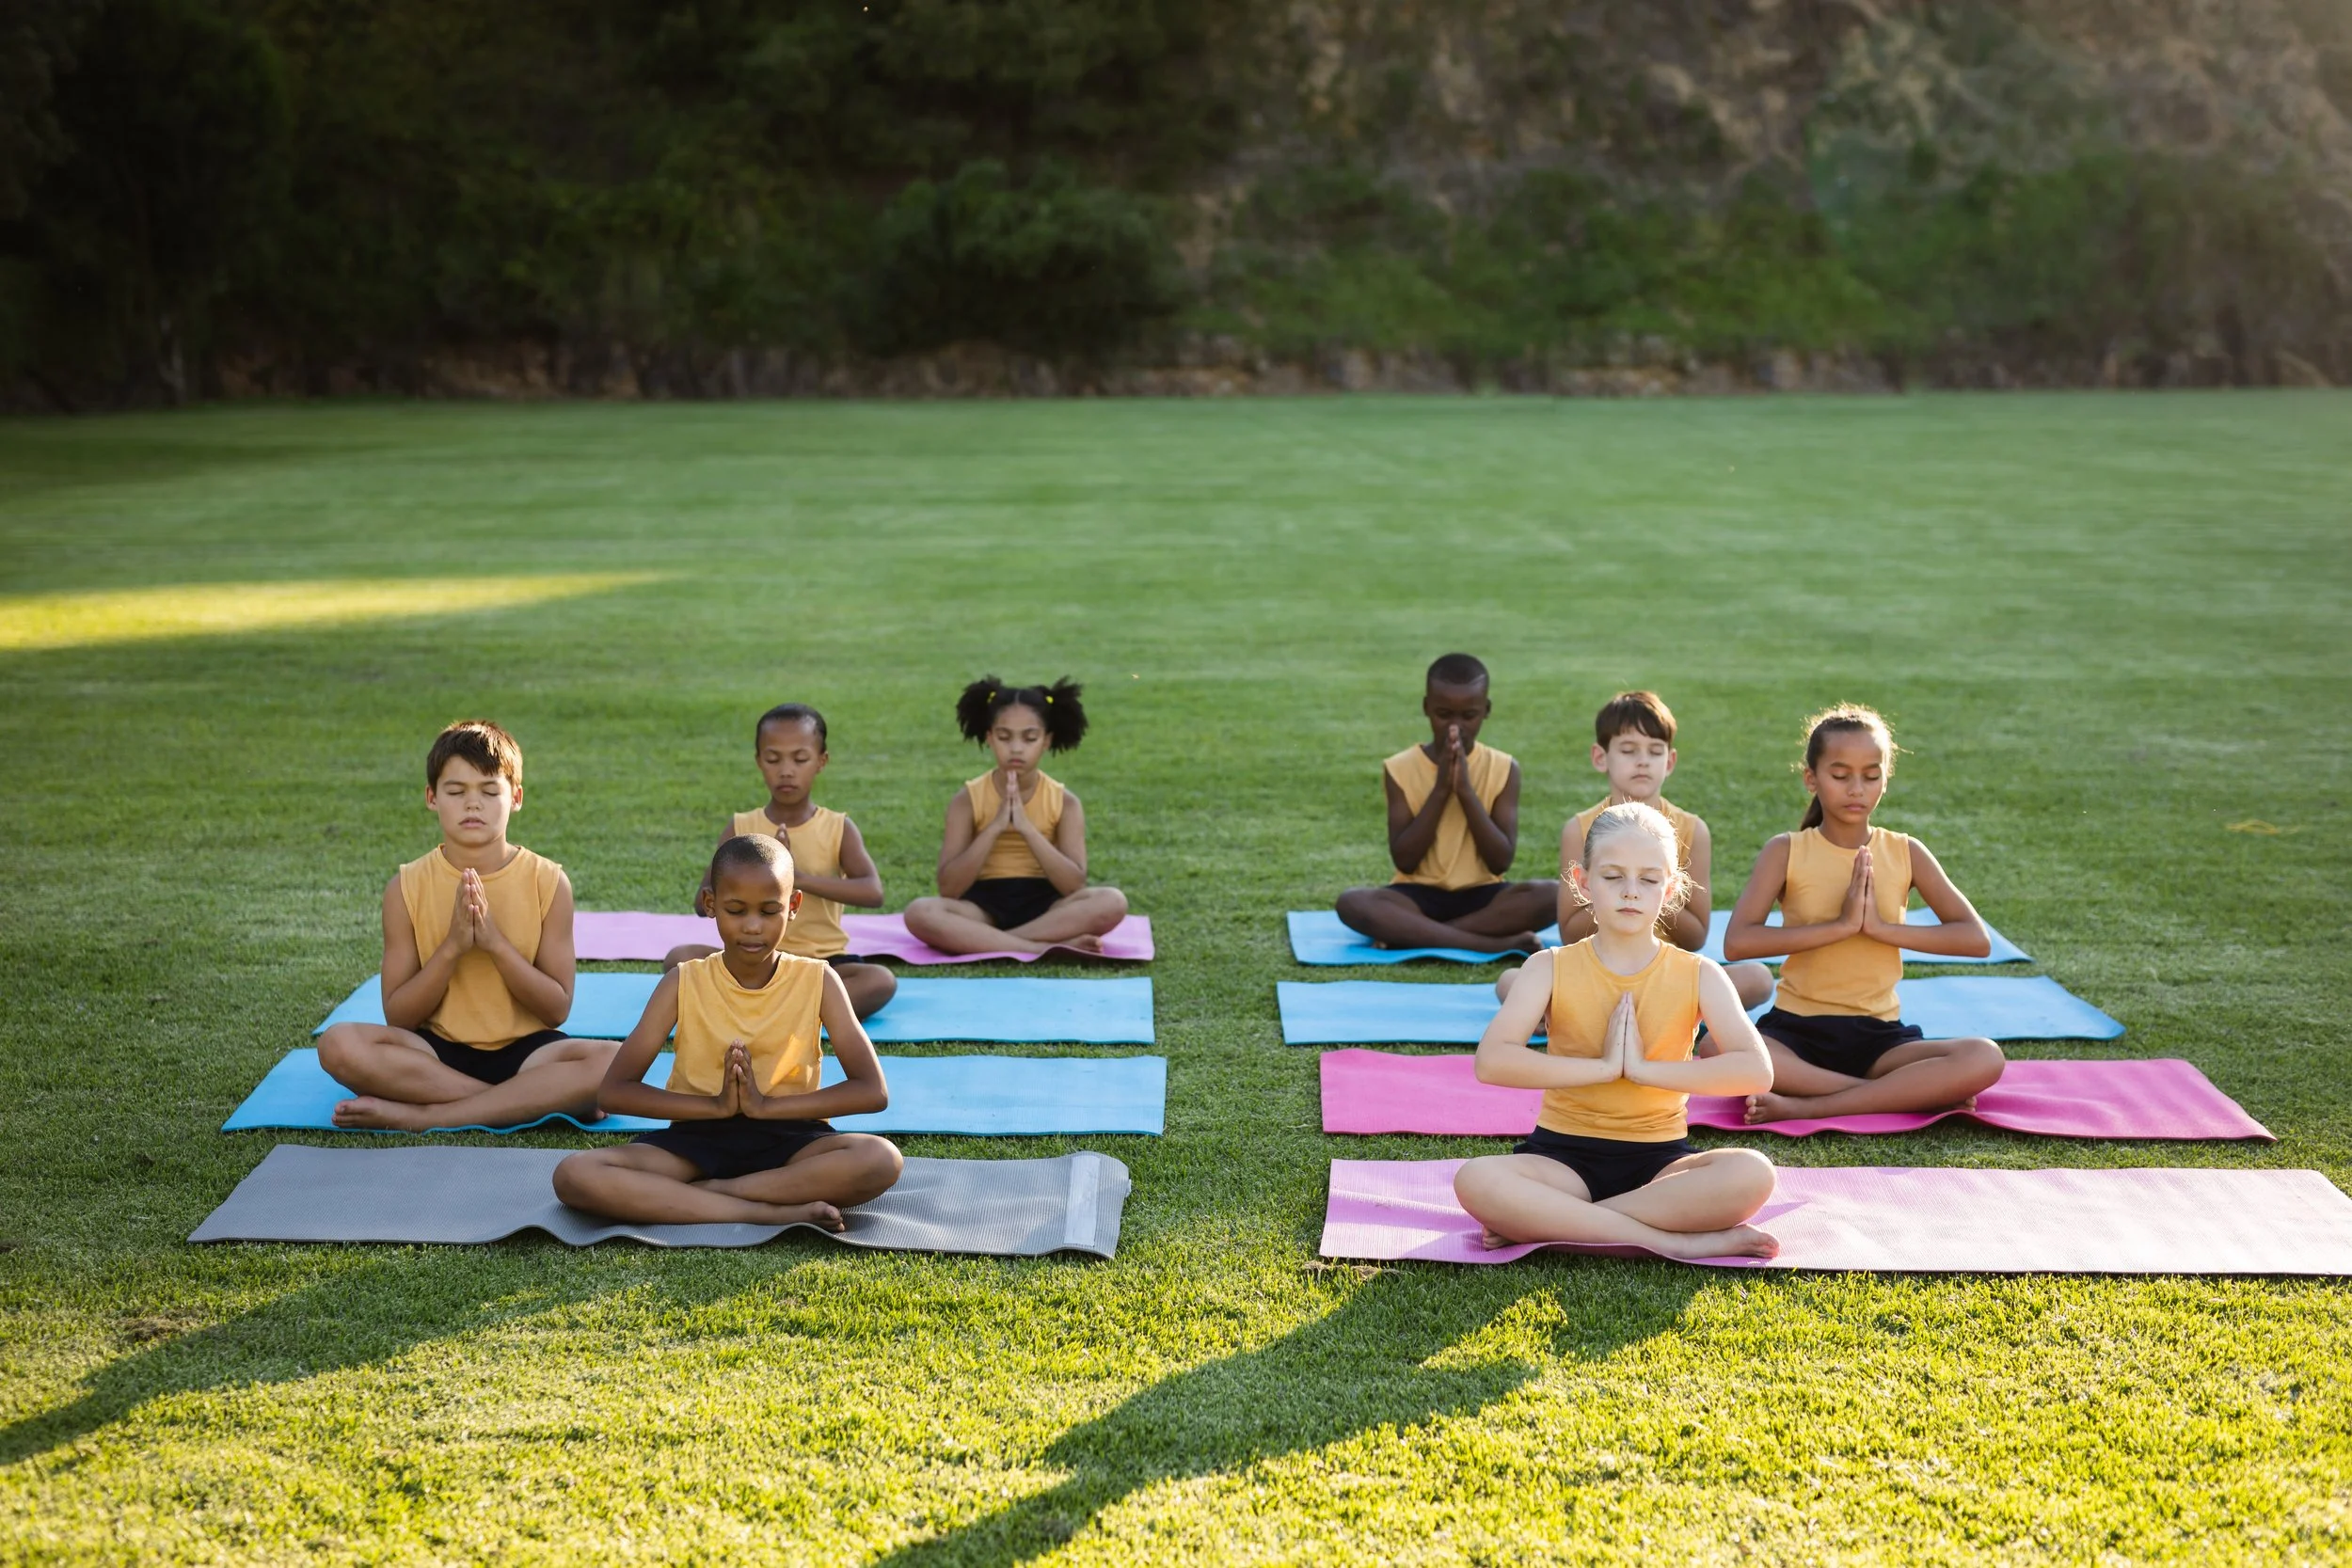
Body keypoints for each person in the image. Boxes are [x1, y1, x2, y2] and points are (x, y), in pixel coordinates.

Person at [1453, 802, 1780, 1259]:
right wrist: (1603, 1068)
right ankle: (1667, 1242)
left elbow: (1755, 1071)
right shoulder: (1547, 967)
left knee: (1753, 1172)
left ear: (1669, 889)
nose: (1631, 892)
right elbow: (1492, 1062)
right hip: (1560, 1159)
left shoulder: (1700, 973)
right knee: (1476, 1179)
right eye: (1612, 877)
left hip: (1661, 1163)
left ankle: (1555, 1223)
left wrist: (1643, 1070)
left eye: (1648, 879)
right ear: (1583, 882)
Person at [552, 834, 903, 1228]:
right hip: (696, 1139)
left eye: (769, 911)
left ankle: (708, 1195)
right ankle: (764, 1210)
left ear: (794, 906)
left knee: (880, 1159)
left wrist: (766, 1108)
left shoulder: (819, 979)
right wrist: (717, 1107)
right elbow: (615, 1091)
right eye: (736, 910)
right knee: (575, 1174)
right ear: (710, 905)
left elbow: (872, 1091)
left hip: (792, 1140)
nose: (752, 927)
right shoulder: (682, 982)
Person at [319, 720, 615, 1131]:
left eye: (489, 791)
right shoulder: (405, 887)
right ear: (432, 797)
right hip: (434, 1054)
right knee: (338, 1044)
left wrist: (494, 943)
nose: (472, 804)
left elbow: (556, 1009)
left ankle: (421, 1116)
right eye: (456, 792)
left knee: (613, 1063)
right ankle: (532, 1102)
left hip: (528, 1052)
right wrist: (454, 946)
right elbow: (400, 1017)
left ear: (516, 798)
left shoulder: (549, 882)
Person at [1722, 705, 2005, 1124]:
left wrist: (1879, 929)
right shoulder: (1786, 850)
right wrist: (1838, 928)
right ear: (1811, 779)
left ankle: (1809, 1105)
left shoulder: (1905, 851)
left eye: (1871, 776)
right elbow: (1739, 941)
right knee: (1717, 1047)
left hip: (1881, 1040)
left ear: (1884, 782)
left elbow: (1974, 939)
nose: (1857, 788)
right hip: (1797, 1032)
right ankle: (1900, 1095)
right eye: (1840, 775)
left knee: (1984, 1057)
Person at [1498, 689, 1773, 1007]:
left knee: (1758, 978)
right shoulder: (1579, 829)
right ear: (1601, 757)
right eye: (1628, 750)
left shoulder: (1693, 830)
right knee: (1511, 982)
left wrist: (1652, 893)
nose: (1643, 761)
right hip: (1594, 973)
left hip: (1667, 977)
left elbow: (1696, 936)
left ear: (1669, 761)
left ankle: (1621, 1017)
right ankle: (1641, 1017)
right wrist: (1615, 896)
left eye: (1655, 751)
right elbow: (1570, 933)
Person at [660, 703, 897, 1019]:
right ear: (759, 761)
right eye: (774, 759)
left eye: (800, 759)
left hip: (822, 963)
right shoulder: (740, 827)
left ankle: (763, 1008)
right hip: (751, 957)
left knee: (880, 980)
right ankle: (794, 1010)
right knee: (680, 958)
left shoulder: (838, 828)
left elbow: (873, 892)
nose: (786, 770)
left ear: (821, 761)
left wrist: (797, 878)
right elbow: (701, 902)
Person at [1333, 653, 1556, 954]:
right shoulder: (1399, 768)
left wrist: (1465, 791)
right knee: (1352, 903)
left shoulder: (1504, 768)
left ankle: (1412, 935)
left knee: (1555, 895)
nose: (1455, 727)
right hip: (1416, 896)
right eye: (1443, 714)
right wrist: (1440, 790)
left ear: (1486, 710)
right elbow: (1405, 860)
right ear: (1426, 708)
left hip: (1484, 895)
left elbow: (1500, 861)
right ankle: (1490, 944)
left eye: (1468, 716)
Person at [900, 677, 1129, 957]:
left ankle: (988, 942)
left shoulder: (1065, 803)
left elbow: (1073, 885)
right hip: (981, 907)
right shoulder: (967, 800)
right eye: (1005, 737)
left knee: (1112, 901)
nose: (1017, 748)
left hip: (1048, 909)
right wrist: (995, 827)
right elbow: (949, 888)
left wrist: (1027, 828)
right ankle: (1040, 947)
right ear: (989, 738)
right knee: (920, 912)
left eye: (1029, 738)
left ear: (1046, 741)